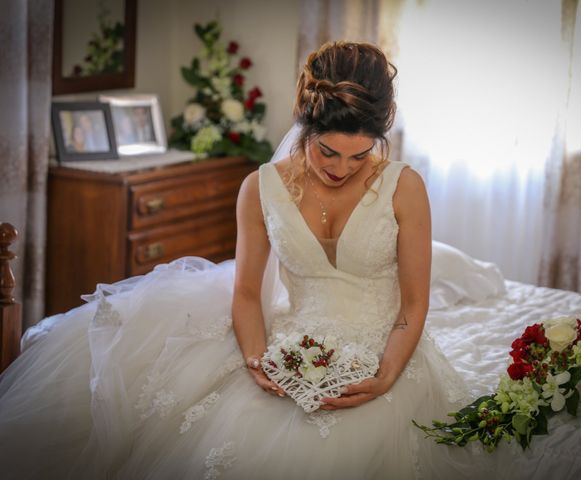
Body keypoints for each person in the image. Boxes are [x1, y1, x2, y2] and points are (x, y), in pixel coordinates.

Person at [0, 41, 487, 479]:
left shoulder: (405, 187)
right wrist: (257, 361)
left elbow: (414, 304)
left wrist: (384, 378)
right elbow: (249, 292)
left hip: (388, 356)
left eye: (359, 157)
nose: (342, 169)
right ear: (306, 126)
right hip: (291, 349)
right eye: (329, 152)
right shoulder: (260, 188)